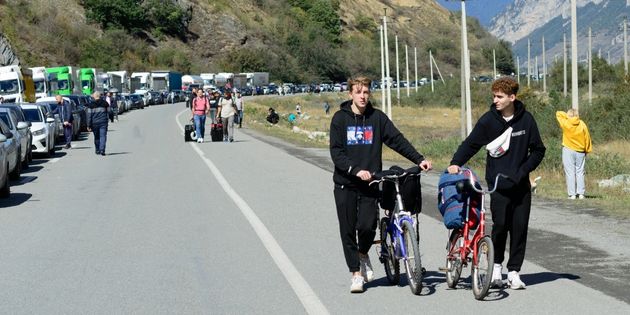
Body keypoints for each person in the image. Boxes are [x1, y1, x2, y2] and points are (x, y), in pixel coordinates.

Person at [329, 76, 432, 293]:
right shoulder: (340, 119)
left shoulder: (377, 118)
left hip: (371, 183)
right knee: (348, 229)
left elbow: (396, 139)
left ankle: (363, 253)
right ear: (350, 94)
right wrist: (355, 170)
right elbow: (336, 152)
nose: (363, 96)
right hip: (346, 183)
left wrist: (418, 159)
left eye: (366, 92)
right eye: (358, 92)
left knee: (367, 227)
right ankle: (355, 273)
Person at [446, 77, 546, 290]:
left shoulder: (526, 120)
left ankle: (514, 272)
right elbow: (471, 144)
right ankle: (497, 267)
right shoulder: (488, 121)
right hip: (498, 185)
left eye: (500, 97)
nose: (496, 100)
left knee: (519, 229)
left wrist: (523, 171)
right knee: (500, 226)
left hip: (520, 186)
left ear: (512, 97)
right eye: (494, 96)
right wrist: (455, 163)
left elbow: (538, 150)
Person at [556, 109, 592, 199]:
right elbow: (587, 137)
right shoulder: (582, 123)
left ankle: (572, 194)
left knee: (570, 172)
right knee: (580, 172)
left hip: (568, 150)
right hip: (580, 151)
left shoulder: (565, 123)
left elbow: (558, 113)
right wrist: (587, 150)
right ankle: (581, 194)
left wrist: (568, 116)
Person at [87, 91, 110, 156]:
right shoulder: (105, 103)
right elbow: (109, 111)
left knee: (96, 137)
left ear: (94, 97)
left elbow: (89, 116)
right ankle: (102, 149)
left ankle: (97, 150)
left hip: (94, 123)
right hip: (103, 122)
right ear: (100, 96)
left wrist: (88, 125)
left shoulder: (91, 105)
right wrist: (110, 118)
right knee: (103, 136)